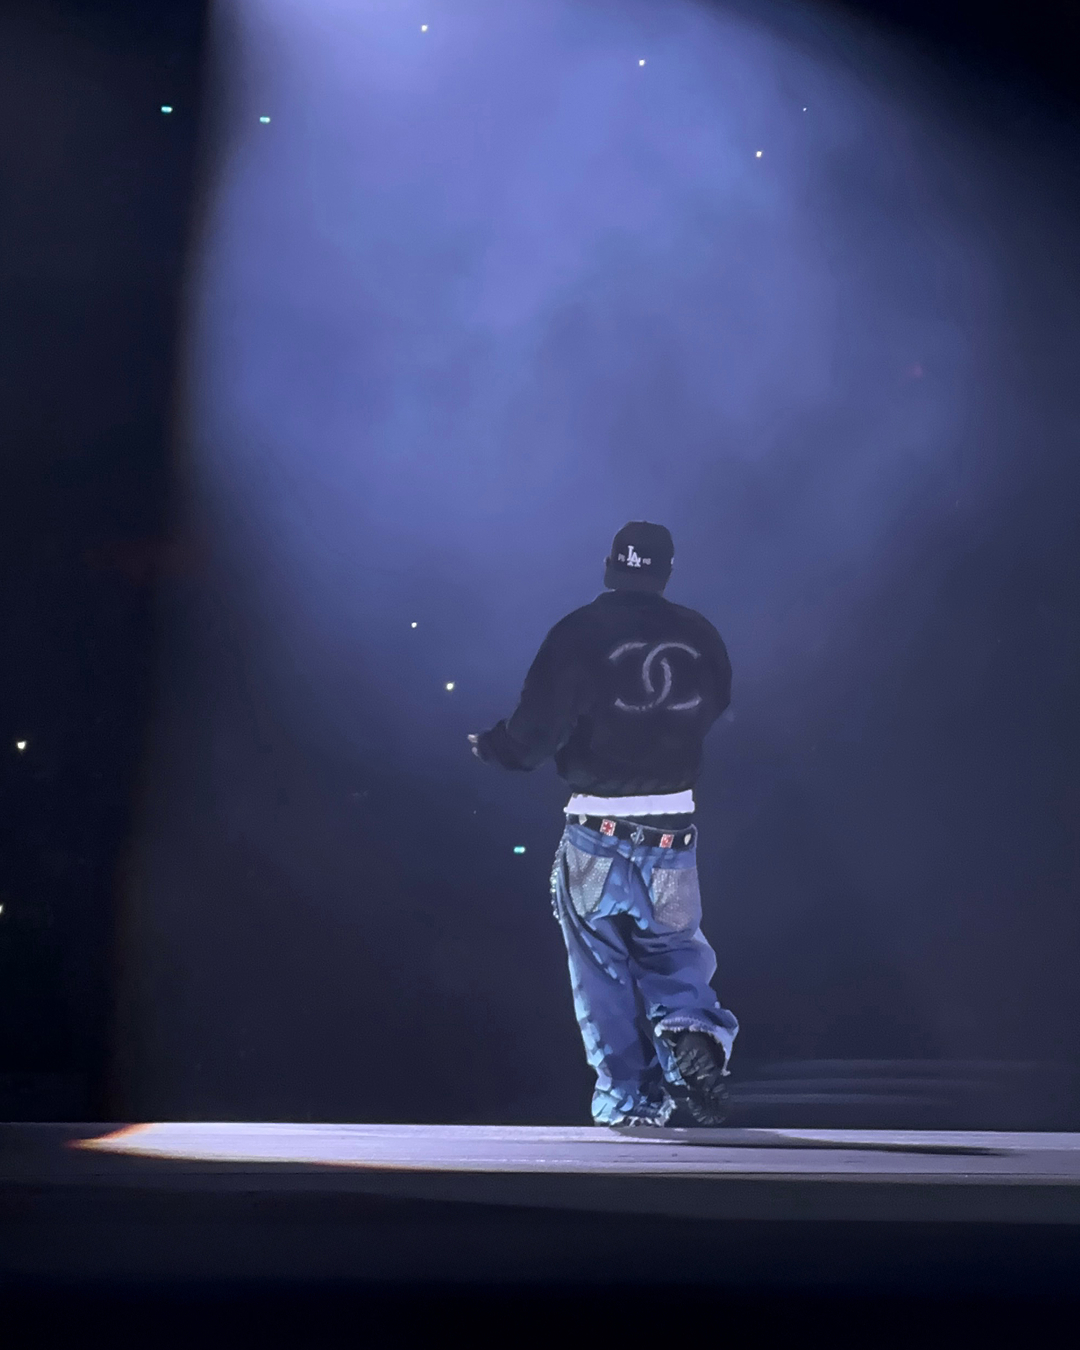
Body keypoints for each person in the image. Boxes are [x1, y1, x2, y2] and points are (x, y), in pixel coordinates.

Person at [469, 522, 738, 1127]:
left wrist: (495, 747)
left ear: (610, 565)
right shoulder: (700, 634)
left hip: (597, 830)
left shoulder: (576, 633)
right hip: (672, 831)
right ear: (668, 571)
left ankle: (627, 1099)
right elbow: (717, 703)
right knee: (674, 950)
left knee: (601, 972)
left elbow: (533, 734)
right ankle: (691, 1035)